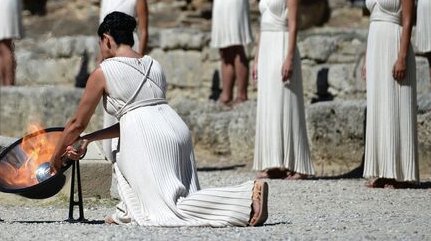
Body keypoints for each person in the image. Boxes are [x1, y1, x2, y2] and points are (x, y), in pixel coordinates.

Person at [49, 12, 269, 227]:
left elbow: (77, 123)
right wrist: (89, 139)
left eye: (100, 43)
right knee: (178, 197)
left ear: (106, 39)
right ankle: (128, 211)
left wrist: (55, 157)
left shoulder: (103, 71)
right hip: (177, 130)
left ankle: (246, 196)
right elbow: (137, 118)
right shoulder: (154, 64)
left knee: (170, 210)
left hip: (148, 139)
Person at [362, 0, 419, 188]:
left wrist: (402, 56)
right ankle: (383, 169)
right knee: (379, 105)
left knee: (396, 104)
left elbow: (408, 20)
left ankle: (400, 172)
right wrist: (366, 57)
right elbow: (372, 20)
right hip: (376, 45)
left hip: (395, 42)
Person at [252, 0, 314, 180]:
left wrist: (289, 57)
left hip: (281, 46)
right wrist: (256, 59)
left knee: (286, 101)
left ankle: (297, 164)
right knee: (269, 104)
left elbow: (293, 25)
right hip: (266, 47)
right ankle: (273, 162)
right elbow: (262, 25)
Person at [99, 0, 149, 164]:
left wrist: (141, 62)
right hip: (109, 52)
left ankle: (129, 153)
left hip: (129, 50)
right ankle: (108, 154)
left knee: (126, 101)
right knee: (110, 100)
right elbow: (101, 33)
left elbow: (144, 31)